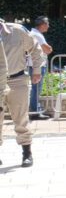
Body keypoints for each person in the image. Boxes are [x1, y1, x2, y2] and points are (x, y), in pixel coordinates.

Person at [1, 18, 44, 167]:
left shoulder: (17, 31)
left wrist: (37, 70)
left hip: (17, 79)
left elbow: (35, 48)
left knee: (20, 118)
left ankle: (27, 153)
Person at [28, 16, 53, 121]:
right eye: (47, 24)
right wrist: (50, 48)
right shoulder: (37, 35)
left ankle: (35, 110)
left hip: (34, 65)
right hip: (37, 65)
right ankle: (35, 112)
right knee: (36, 89)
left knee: (35, 89)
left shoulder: (33, 33)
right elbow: (48, 50)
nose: (48, 26)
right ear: (42, 24)